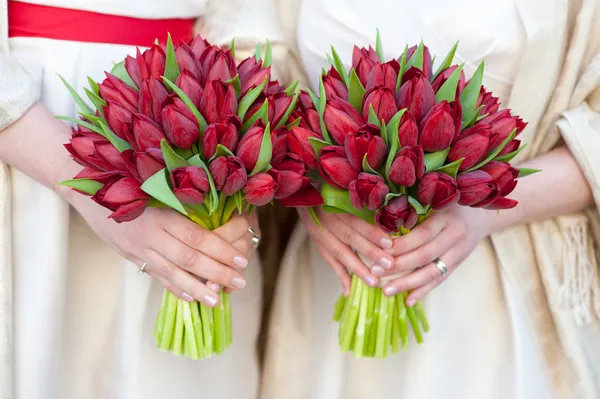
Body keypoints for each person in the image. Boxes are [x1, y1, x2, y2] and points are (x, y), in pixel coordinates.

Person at [262, 0, 600, 398]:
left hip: (493, 296)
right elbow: (254, 58)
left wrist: (482, 214)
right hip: (332, 277)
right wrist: (315, 191)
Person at [0, 0, 294, 398]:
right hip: (30, 129)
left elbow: (246, 20)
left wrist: (242, 171)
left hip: (197, 104)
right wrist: (81, 180)